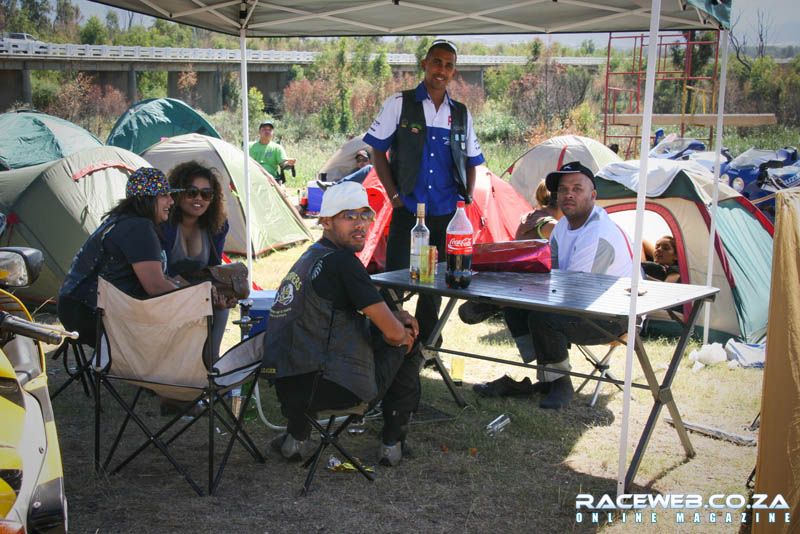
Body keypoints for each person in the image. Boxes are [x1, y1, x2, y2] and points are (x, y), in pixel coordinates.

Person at [262, 182, 423, 467]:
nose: (360, 224)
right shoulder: (343, 263)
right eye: (349, 216)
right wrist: (397, 330)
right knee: (410, 338)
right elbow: (395, 334)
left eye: (365, 215)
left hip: (288, 390)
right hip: (328, 389)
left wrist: (389, 319)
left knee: (374, 333)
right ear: (325, 222)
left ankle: (294, 439)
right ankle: (392, 443)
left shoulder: (309, 257)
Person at [475, 161, 635, 409]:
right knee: (518, 308)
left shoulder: (597, 233)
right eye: (563, 189)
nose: (569, 194)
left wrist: (513, 294)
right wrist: (511, 294)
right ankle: (548, 375)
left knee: (544, 317)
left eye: (577, 188)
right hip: (586, 302)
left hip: (615, 317)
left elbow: (574, 293)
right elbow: (552, 273)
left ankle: (560, 383)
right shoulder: (562, 226)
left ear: (593, 195)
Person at [364, 39, 485, 344]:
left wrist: (465, 198)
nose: (441, 69)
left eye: (448, 65)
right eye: (436, 62)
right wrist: (393, 198)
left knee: (437, 284)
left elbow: (473, 161)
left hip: (446, 212)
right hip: (407, 210)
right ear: (424, 65)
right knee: (395, 280)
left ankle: (426, 345)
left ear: (454, 71)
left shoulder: (461, 113)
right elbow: (377, 151)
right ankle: (388, 340)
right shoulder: (399, 103)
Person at [57, 167, 182, 347]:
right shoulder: (138, 227)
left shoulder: (123, 220)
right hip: (89, 311)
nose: (171, 201)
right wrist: (196, 302)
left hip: (76, 306)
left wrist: (194, 290)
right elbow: (155, 286)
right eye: (164, 195)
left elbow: (160, 280)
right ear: (144, 199)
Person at [160, 161, 236, 362]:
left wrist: (220, 291)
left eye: (206, 194)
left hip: (199, 287)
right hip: (165, 287)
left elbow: (213, 267)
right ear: (177, 193)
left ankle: (210, 365)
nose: (199, 199)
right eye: (192, 192)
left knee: (220, 306)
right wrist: (194, 292)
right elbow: (161, 271)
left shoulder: (217, 225)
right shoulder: (163, 223)